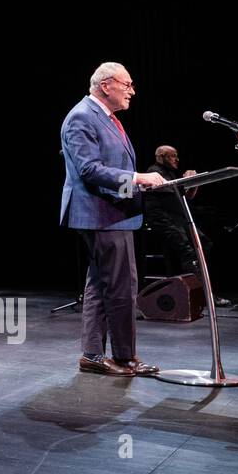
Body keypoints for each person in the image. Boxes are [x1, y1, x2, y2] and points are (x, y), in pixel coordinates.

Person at [59, 62, 164, 377]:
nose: (132, 90)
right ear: (106, 85)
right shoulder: (81, 117)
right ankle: (124, 357)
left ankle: (93, 355)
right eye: (127, 84)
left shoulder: (105, 118)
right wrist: (137, 178)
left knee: (101, 284)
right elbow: (89, 170)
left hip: (112, 213)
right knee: (120, 286)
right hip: (100, 213)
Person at [143, 145, 231, 307]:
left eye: (177, 155)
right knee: (188, 252)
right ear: (161, 157)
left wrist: (194, 182)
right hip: (163, 220)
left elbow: (187, 196)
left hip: (178, 219)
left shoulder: (171, 173)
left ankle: (193, 285)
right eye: (172, 156)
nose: (177, 159)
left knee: (204, 243)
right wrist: (187, 180)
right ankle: (203, 295)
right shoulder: (154, 172)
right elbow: (169, 191)